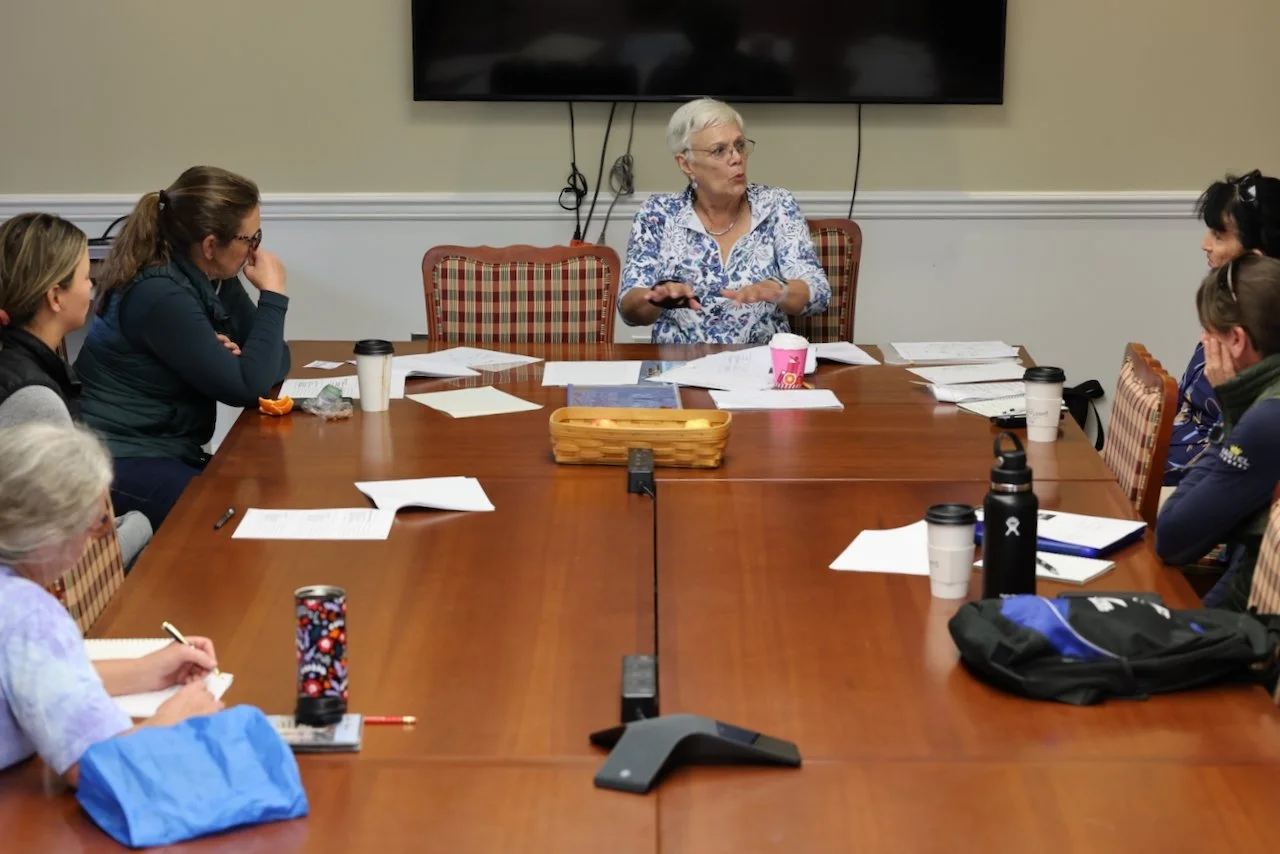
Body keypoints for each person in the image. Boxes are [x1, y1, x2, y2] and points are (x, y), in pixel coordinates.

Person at [0, 422, 222, 786]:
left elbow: (36, 678)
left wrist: (145, 671)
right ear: (55, 531)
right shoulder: (30, 615)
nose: (94, 537)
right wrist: (173, 719)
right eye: (97, 523)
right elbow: (95, 767)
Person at [75, 166, 292, 530]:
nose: (254, 249)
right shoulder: (160, 293)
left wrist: (245, 362)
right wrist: (273, 295)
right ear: (210, 245)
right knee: (221, 514)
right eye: (249, 239)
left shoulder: (205, 275)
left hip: (160, 449)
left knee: (244, 499)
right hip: (113, 460)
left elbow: (274, 365)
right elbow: (249, 386)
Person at [0, 213, 151, 567]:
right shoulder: (35, 401)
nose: (91, 289)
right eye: (86, 279)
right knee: (143, 523)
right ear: (55, 297)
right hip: (33, 582)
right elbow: (64, 547)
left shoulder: (21, 366)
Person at [618, 98, 830, 344]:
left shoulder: (776, 205)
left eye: (740, 145)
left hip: (761, 368)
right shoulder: (658, 213)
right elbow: (629, 309)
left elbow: (818, 294)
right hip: (679, 369)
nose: (736, 158)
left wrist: (779, 290)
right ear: (686, 164)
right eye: (719, 150)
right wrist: (654, 297)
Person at [1156, 255, 1280, 610]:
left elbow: (1174, 536)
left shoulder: (1267, 419)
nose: (1203, 339)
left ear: (1237, 340)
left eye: (1209, 331)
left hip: (1255, 634)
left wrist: (1232, 412)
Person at [1165, 170, 1280, 486]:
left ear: (1257, 253)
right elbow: (1187, 399)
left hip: (1196, 487)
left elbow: (1239, 455)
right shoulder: (1227, 309)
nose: (1205, 244)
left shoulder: (1260, 339)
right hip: (1166, 471)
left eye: (1219, 235)